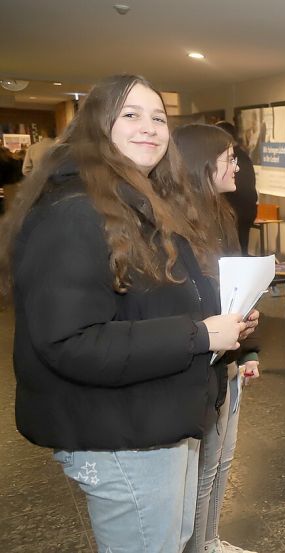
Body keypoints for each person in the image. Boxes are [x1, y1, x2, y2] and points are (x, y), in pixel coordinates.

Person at [0, 74, 255, 553]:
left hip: (151, 419)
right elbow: (69, 342)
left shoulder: (137, 204)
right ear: (98, 126)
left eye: (158, 117)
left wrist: (221, 320)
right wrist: (199, 335)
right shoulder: (75, 213)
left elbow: (147, 300)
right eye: (131, 115)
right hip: (119, 434)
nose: (150, 128)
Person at [173, 123, 262, 553]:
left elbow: (233, 291)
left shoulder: (223, 215)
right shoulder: (174, 229)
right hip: (202, 363)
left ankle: (209, 540)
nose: (238, 167)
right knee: (203, 468)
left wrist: (249, 344)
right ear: (202, 164)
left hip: (230, 357)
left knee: (224, 460)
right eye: (230, 158)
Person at [216, 121, 258, 256]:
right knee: (241, 249)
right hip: (246, 210)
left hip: (236, 211)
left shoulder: (235, 157)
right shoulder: (244, 155)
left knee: (236, 252)